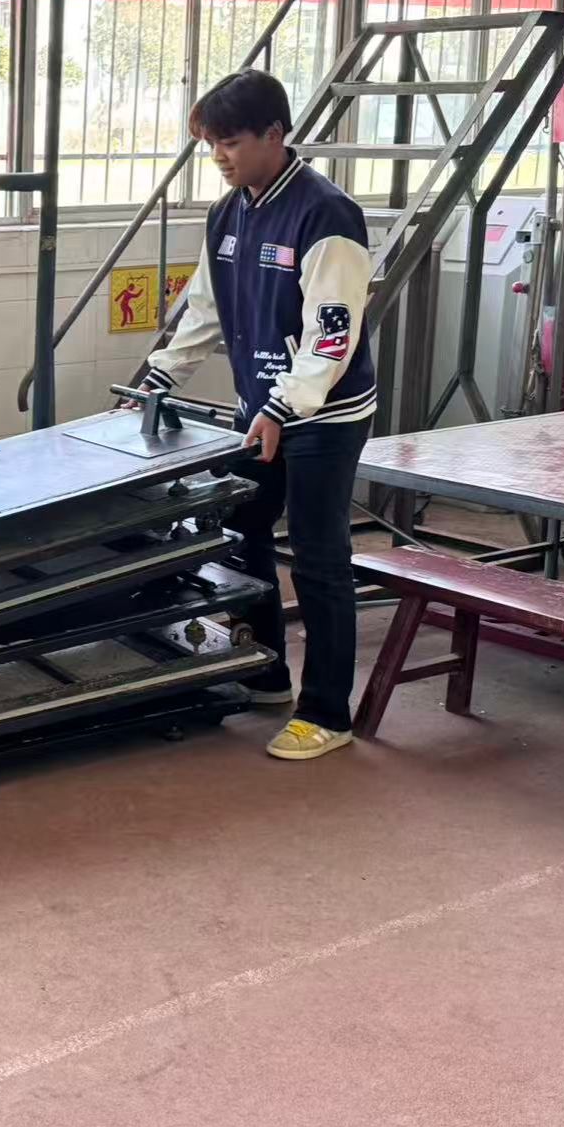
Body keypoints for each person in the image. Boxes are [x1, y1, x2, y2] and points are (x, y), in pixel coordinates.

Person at [138, 69, 374, 761]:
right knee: (243, 533)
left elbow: (332, 334)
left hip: (324, 417)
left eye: (231, 142)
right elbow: (206, 310)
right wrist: (160, 374)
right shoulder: (228, 213)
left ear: (275, 134)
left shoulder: (325, 214)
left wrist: (282, 405)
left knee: (320, 558)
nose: (220, 156)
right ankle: (267, 672)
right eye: (212, 145)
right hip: (260, 412)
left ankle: (327, 713)